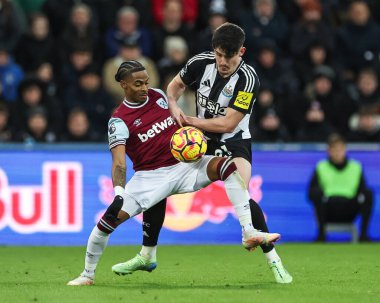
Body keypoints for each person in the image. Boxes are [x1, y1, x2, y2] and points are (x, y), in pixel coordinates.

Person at [67, 60, 280, 286]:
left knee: (226, 166)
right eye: (137, 84)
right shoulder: (119, 121)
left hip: (183, 166)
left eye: (146, 82)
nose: (144, 88)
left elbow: (179, 123)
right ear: (123, 85)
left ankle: (248, 230)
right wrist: (119, 191)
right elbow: (119, 163)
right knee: (107, 222)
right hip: (149, 178)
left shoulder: (159, 96)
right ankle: (87, 275)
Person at [121, 22, 293, 284]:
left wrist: (189, 120)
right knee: (159, 181)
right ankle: (147, 255)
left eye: (230, 55)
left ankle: (274, 261)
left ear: (242, 52)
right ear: (214, 50)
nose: (223, 61)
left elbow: (228, 124)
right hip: (198, 140)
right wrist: (173, 106)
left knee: (240, 188)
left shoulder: (248, 79)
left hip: (233, 141)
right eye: (219, 54)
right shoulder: (201, 62)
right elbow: (173, 87)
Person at [308, 133, 374, 242]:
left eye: (340, 149)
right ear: (328, 151)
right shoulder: (321, 166)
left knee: (368, 193)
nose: (337, 152)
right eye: (334, 149)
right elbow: (310, 194)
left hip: (350, 208)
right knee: (316, 192)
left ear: (345, 150)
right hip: (328, 209)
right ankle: (321, 235)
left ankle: (363, 235)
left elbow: (362, 190)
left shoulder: (356, 166)